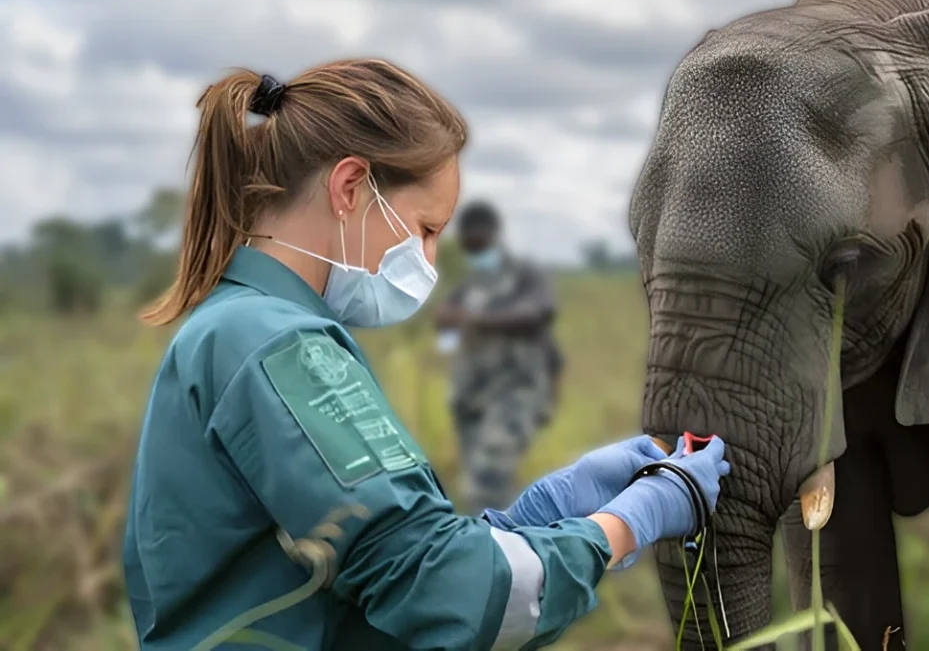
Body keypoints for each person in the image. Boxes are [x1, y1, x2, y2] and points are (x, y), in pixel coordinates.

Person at [121, 59, 731, 651]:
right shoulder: (281, 346)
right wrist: (624, 526)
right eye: (426, 229)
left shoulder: (239, 327)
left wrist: (539, 516)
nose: (430, 263)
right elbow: (446, 593)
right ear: (350, 187)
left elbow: (373, 563)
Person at [434, 200, 564, 514]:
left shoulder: (524, 275)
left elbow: (539, 312)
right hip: (471, 397)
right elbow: (445, 323)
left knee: (486, 485)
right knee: (481, 485)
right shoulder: (470, 285)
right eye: (469, 248)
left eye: (480, 245)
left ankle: (494, 555)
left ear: (494, 236)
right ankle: (506, 541)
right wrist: (449, 318)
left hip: (514, 394)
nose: (476, 254)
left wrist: (477, 319)